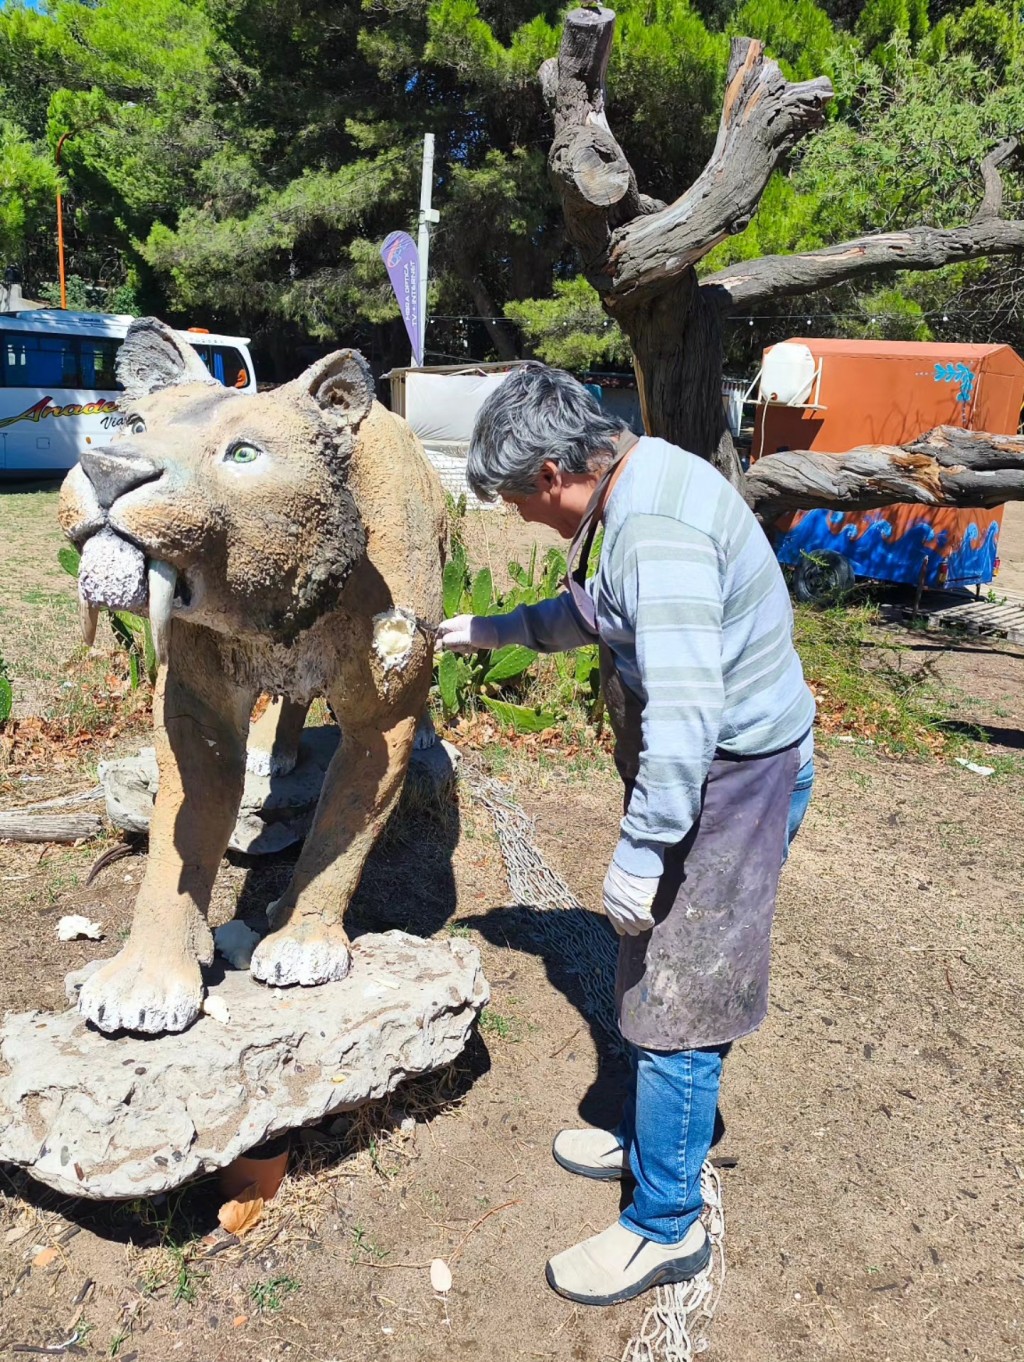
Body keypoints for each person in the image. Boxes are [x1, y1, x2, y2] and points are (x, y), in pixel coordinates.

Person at [435, 363, 816, 1308]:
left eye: (522, 499)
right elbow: (592, 612)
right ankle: (656, 1137)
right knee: (654, 974)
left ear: (560, 468)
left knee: (680, 998)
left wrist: (641, 853)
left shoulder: (655, 528)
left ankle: (664, 1223)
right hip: (711, 771)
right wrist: (483, 627)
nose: (524, 519)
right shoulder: (633, 482)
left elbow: (687, 713)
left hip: (733, 778)